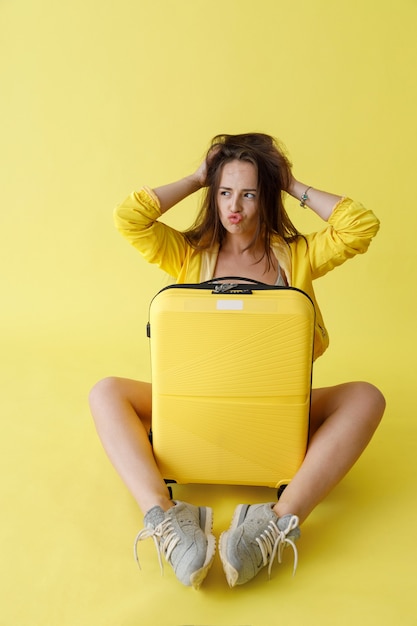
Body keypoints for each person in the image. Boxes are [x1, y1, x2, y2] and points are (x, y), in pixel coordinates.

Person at [89, 133, 385, 589]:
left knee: (367, 397)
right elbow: (129, 218)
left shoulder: (298, 256)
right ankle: (168, 519)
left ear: (265, 196)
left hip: (274, 418)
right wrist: (195, 178)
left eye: (249, 193)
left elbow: (360, 225)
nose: (235, 206)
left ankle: (274, 522)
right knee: (105, 391)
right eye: (225, 192)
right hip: (197, 414)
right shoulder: (189, 254)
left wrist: (289, 183)